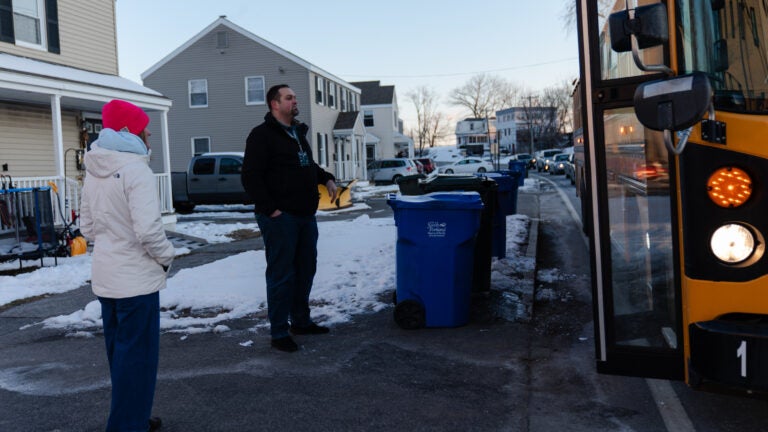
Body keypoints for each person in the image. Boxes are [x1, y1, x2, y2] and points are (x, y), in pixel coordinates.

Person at [80, 99, 175, 431]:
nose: (149, 132)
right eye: (144, 127)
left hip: (107, 279)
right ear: (130, 130)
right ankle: (127, 425)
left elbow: (87, 229)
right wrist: (167, 256)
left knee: (121, 358)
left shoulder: (93, 169)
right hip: (136, 281)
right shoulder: (137, 170)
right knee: (138, 359)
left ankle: (132, 416)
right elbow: (149, 231)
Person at [241, 84, 338, 353]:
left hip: (305, 215)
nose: (295, 101)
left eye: (295, 97)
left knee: (306, 270)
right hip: (280, 218)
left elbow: (306, 165)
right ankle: (279, 331)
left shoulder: (297, 133)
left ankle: (301, 322)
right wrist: (271, 208)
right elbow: (250, 176)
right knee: (282, 274)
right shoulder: (262, 136)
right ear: (275, 104)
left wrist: (326, 177)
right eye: (289, 97)